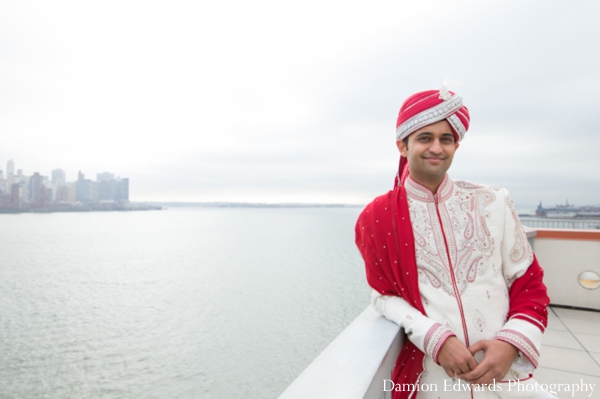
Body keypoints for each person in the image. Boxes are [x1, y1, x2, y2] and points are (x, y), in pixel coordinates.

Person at [355, 87, 553, 399]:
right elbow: (383, 296)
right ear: (402, 147)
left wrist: (511, 342)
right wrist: (433, 336)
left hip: (505, 376)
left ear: (456, 145)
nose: (436, 147)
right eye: (424, 137)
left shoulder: (493, 201)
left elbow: (528, 281)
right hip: (435, 377)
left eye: (446, 139)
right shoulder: (377, 217)